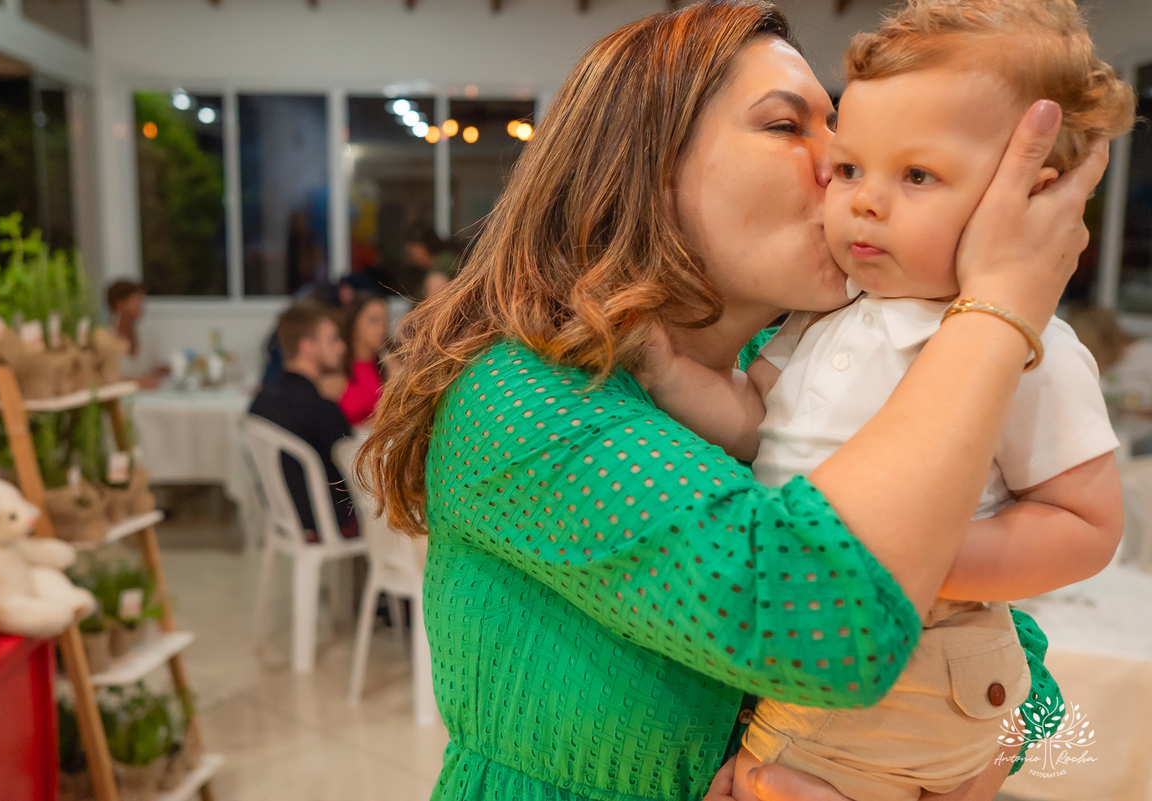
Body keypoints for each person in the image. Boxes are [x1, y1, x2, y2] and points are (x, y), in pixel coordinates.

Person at [354, 3, 1107, 800]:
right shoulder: (523, 398)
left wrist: (969, 767)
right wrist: (999, 304)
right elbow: (828, 615)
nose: (844, 160)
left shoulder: (786, 372)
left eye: (841, 129)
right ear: (642, 168)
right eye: (789, 127)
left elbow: (1024, 670)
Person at [635, 2, 1130, 799]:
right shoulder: (827, 318)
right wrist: (662, 372)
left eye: (918, 175)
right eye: (852, 169)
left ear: (1030, 198)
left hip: (922, 662)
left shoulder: (1025, 347)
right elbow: (753, 421)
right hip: (816, 640)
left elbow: (1086, 524)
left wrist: (923, 557)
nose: (863, 201)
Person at [249, 303, 356, 540]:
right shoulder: (318, 408)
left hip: (285, 514)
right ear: (308, 347)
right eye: (333, 340)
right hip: (322, 519)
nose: (342, 347)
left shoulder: (261, 400)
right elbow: (355, 463)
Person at [338, 294, 391, 427]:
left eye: (385, 321)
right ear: (353, 322)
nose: (382, 328)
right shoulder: (337, 366)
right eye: (374, 320)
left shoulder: (388, 366)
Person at [106, 279, 161, 389]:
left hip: (147, 400)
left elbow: (152, 369)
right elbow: (103, 379)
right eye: (136, 299)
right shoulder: (105, 339)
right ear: (120, 304)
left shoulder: (145, 335)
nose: (142, 304)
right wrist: (137, 382)